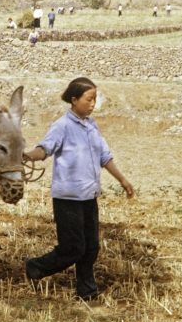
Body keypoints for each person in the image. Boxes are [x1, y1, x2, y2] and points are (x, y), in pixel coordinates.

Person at [23, 77, 135, 301]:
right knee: (73, 248)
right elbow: (44, 149)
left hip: (89, 196)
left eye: (95, 99)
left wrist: (123, 180)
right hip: (68, 198)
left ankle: (87, 292)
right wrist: (26, 156)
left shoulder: (92, 126)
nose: (93, 104)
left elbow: (105, 157)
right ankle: (35, 267)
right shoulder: (62, 126)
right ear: (74, 100)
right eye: (89, 99)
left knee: (91, 248)